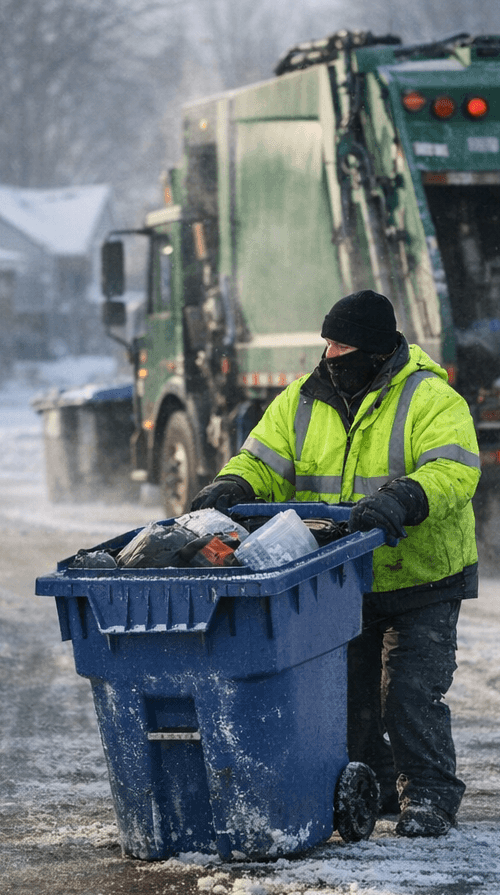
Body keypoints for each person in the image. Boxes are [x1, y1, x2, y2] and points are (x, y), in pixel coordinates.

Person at [189, 290, 479, 838]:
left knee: (410, 694)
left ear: (373, 349)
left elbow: (453, 471)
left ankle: (430, 798)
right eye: (327, 343)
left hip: (424, 575)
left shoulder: (431, 398)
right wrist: (234, 482)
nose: (330, 355)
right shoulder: (301, 399)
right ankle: (376, 786)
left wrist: (402, 498)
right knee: (351, 696)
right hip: (344, 577)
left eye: (342, 344)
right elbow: (263, 458)